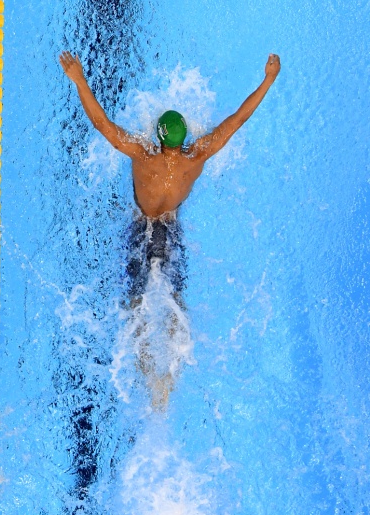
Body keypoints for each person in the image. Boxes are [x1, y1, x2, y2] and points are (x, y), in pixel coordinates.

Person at [59, 52, 280, 409]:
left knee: (135, 303)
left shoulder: (142, 155)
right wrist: (268, 79)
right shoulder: (197, 156)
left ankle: (144, 372)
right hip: (171, 233)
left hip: (139, 230)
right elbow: (237, 120)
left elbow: (102, 124)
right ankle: (168, 384)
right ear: (182, 139)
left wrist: (80, 79)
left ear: (158, 137)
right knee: (175, 301)